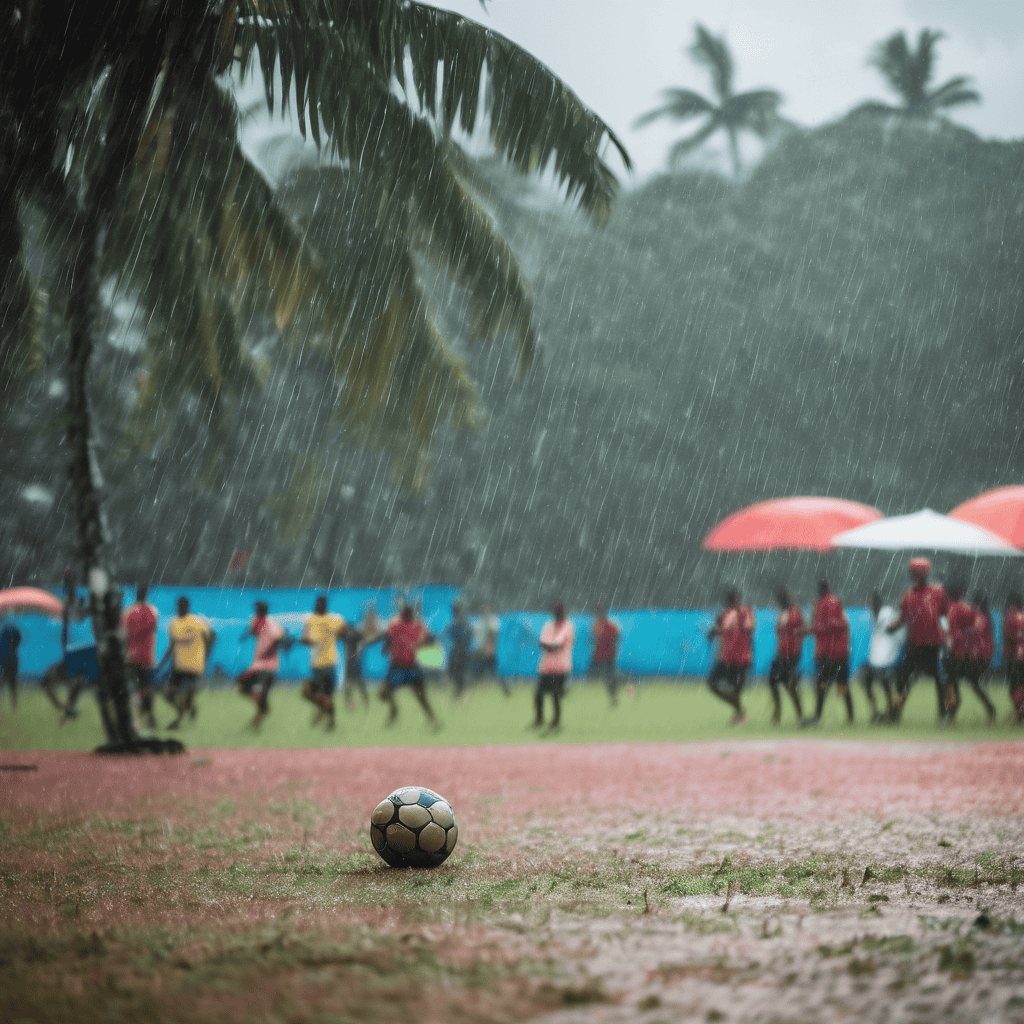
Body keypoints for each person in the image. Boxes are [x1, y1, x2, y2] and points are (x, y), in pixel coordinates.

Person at [888, 557, 949, 723]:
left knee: (911, 679)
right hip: (917, 644)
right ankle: (897, 713)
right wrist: (892, 627)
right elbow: (903, 619)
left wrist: (893, 626)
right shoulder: (912, 595)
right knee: (909, 679)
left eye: (917, 573)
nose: (916, 576)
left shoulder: (935, 592)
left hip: (929, 644)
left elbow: (944, 613)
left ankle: (896, 714)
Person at [157, 596, 216, 729]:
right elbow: (172, 645)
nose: (180, 608)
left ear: (187, 607)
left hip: (194, 665)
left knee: (183, 693)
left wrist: (205, 655)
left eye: (182, 606)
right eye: (179, 606)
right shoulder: (174, 623)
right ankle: (188, 708)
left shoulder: (197, 622)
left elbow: (212, 636)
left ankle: (178, 721)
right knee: (169, 695)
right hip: (178, 666)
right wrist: (161, 663)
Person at [379, 603, 439, 728]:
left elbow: (428, 639)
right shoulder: (403, 625)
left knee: (421, 697)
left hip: (408, 667)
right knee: (384, 693)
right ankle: (394, 709)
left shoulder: (413, 626)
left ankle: (433, 719)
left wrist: (423, 642)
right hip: (399, 666)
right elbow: (388, 638)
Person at [803, 578, 852, 725]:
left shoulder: (830, 602)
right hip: (829, 652)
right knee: (831, 684)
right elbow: (822, 626)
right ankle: (848, 717)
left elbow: (832, 625)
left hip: (834, 652)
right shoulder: (823, 603)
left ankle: (820, 717)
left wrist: (812, 629)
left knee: (832, 684)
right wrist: (809, 630)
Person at [706, 588, 754, 726]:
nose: (733, 602)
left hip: (740, 658)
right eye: (732, 599)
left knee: (734, 688)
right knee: (713, 684)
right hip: (728, 657)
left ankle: (739, 714)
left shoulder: (745, 612)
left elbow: (746, 631)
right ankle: (740, 712)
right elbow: (728, 631)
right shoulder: (727, 614)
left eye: (734, 599)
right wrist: (716, 631)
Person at [300, 594, 348, 729]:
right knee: (325, 695)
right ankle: (327, 716)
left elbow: (304, 638)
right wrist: (336, 635)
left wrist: (311, 642)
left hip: (320, 663)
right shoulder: (334, 619)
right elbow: (345, 628)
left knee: (314, 693)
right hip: (328, 663)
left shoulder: (311, 619)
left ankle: (326, 715)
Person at [236, 600, 286, 729]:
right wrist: (248, 634)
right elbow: (254, 629)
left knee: (248, 685)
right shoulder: (257, 621)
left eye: (258, 611)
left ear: (264, 612)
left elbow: (279, 638)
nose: (256, 613)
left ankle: (260, 712)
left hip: (268, 666)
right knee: (243, 684)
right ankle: (262, 707)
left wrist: (268, 652)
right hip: (259, 665)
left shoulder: (271, 623)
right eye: (256, 610)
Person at [119, 583, 159, 729]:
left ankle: (134, 720)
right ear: (146, 593)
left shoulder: (127, 611)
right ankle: (148, 716)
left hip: (131, 657)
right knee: (146, 688)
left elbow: (123, 636)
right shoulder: (153, 611)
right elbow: (153, 631)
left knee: (132, 688)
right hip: (147, 657)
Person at [862, 591, 904, 724]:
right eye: (871, 604)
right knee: (867, 680)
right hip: (877, 658)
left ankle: (891, 711)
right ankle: (876, 711)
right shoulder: (872, 616)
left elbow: (893, 632)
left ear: (879, 603)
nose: (872, 606)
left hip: (889, 657)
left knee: (885, 683)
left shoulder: (887, 613)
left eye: (874, 604)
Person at [534, 600, 575, 730]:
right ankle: (539, 719)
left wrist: (549, 645)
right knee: (538, 694)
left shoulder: (567, 626)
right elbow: (543, 643)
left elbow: (557, 645)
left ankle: (556, 721)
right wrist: (551, 646)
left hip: (560, 667)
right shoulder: (549, 625)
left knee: (555, 695)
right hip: (546, 667)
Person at [957, 592, 997, 725]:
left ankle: (950, 709)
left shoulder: (978, 615)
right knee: (973, 683)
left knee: (954, 677)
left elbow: (974, 632)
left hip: (977, 657)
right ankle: (990, 708)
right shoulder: (985, 615)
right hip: (981, 657)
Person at [767, 587, 804, 725]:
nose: (781, 601)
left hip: (792, 654)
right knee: (774, 681)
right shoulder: (783, 613)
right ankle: (779, 711)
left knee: (789, 683)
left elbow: (800, 631)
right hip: (782, 654)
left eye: (783, 599)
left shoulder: (794, 611)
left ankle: (798, 714)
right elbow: (780, 632)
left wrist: (796, 652)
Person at [942, 581, 974, 724]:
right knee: (951, 683)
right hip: (956, 651)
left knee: (951, 684)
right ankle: (950, 714)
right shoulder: (961, 607)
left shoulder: (953, 607)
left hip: (953, 651)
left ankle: (950, 715)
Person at [343, 604, 381, 709]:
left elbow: (369, 639)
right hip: (356, 661)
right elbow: (369, 639)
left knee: (351, 683)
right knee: (358, 683)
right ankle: (364, 702)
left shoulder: (347, 636)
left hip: (351, 662)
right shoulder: (356, 634)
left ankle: (352, 703)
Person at [588, 602, 622, 706]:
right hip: (605, 654)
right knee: (608, 675)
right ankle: (614, 692)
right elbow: (616, 636)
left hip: (605, 654)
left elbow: (597, 638)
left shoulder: (601, 625)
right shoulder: (607, 624)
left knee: (608, 676)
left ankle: (615, 692)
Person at [472, 604, 506, 694]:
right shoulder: (482, 621)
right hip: (486, 651)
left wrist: (489, 648)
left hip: (489, 652)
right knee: (480, 671)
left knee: (488, 670)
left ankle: (505, 689)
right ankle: (505, 689)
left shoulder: (492, 621)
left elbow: (494, 634)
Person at [1003, 591, 1024, 723]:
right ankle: (1020, 713)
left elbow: (1009, 637)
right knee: (1020, 686)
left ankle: (1019, 714)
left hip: (1016, 658)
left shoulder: (1010, 616)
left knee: (1014, 687)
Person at [445, 602, 473, 700]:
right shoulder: (462, 624)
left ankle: (460, 694)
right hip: (461, 652)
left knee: (458, 674)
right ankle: (460, 693)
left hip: (459, 652)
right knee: (458, 674)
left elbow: (450, 634)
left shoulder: (459, 624)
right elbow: (469, 635)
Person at [0, 617, 22, 709]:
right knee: (11, 683)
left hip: (5, 659)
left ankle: (13, 705)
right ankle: (14, 705)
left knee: (4, 681)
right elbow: (18, 639)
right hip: (12, 659)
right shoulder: (11, 626)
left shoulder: (4, 628)